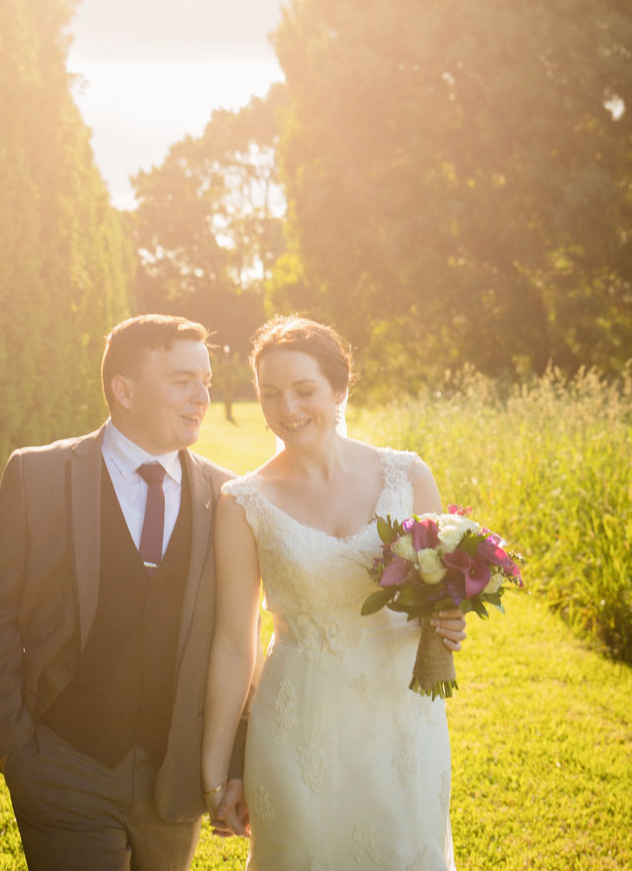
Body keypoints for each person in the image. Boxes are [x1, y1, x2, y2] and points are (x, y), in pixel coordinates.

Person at [0, 314, 246, 871]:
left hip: (176, 780)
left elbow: (239, 642)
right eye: (182, 380)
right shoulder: (38, 475)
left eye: (206, 380)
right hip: (63, 765)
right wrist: (16, 748)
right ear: (123, 389)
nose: (202, 397)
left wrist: (232, 760)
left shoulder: (228, 495)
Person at [201, 315, 466, 870]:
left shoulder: (407, 475)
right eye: (270, 394)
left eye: (304, 391)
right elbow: (232, 643)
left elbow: (441, 592)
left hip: (401, 726)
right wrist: (220, 768)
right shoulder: (243, 504)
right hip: (299, 729)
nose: (287, 409)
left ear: (341, 388)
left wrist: (449, 621)